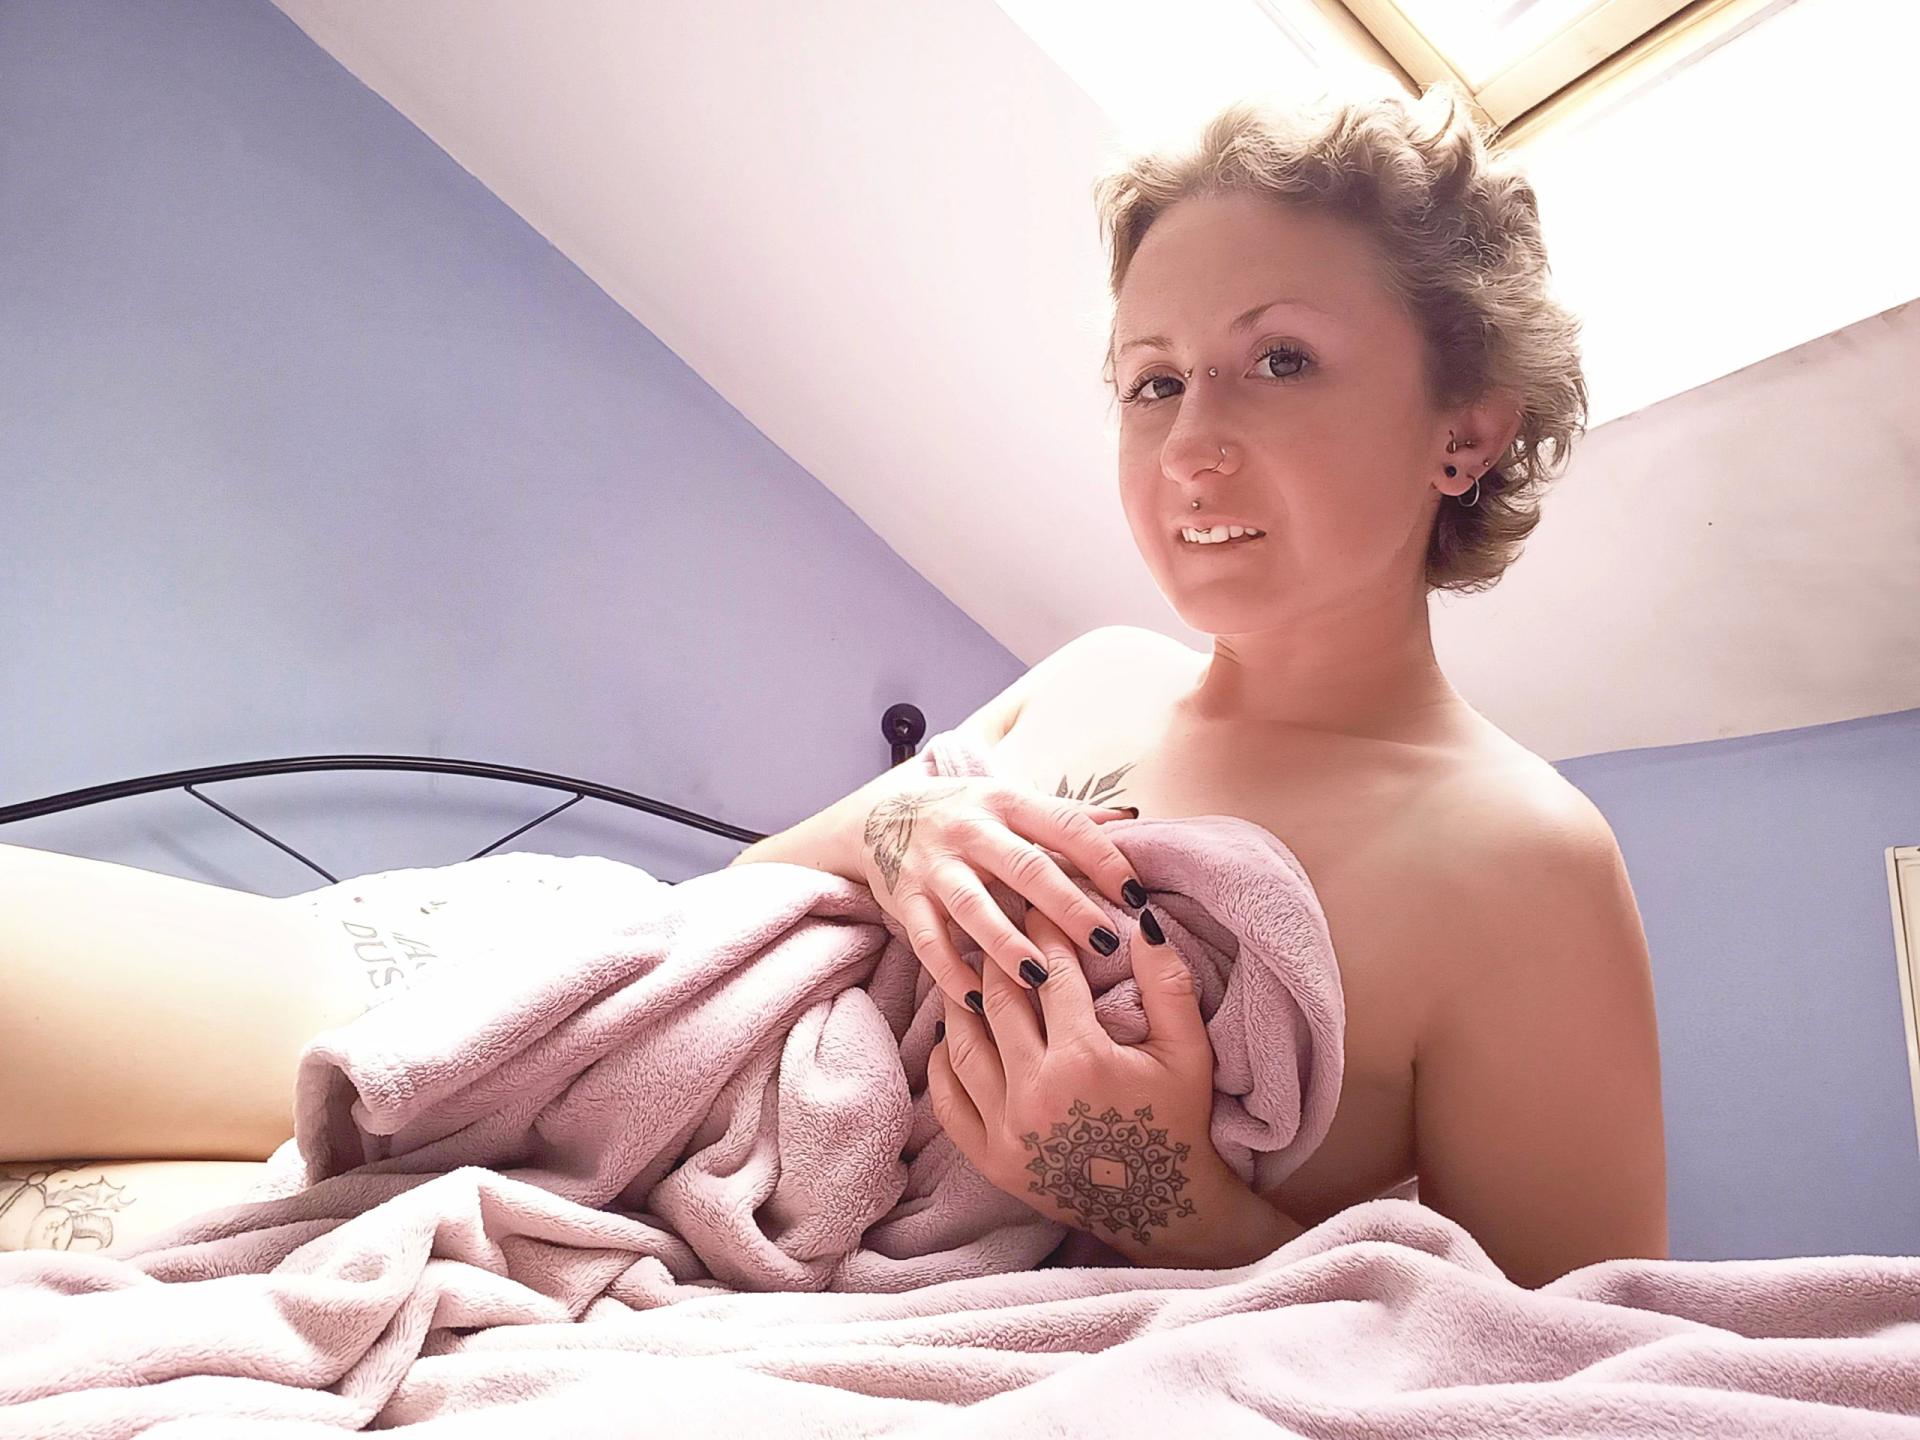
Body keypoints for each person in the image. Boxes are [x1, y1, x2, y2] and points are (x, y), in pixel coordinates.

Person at [2, 79, 1666, 1285]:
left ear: (1467, 428)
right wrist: (903, 833)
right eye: (1150, 381)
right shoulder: (1100, 675)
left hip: (709, 1176)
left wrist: (1175, 1208)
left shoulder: (1517, 864)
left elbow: (1564, 1359)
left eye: (1278, 359)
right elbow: (748, 891)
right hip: (580, 997)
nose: (1190, 442)